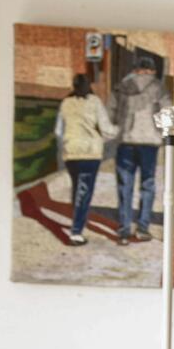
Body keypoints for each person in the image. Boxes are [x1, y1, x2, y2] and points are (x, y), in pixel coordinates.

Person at [54, 72, 116, 247]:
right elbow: (106, 128)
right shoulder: (95, 102)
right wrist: (115, 133)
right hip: (90, 152)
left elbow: (58, 130)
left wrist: (67, 142)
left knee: (77, 189)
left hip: (71, 152)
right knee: (85, 192)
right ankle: (76, 232)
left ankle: (77, 221)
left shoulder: (65, 103)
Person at [111, 60, 169, 245]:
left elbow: (110, 112)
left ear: (135, 69)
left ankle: (124, 229)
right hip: (149, 143)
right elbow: (166, 114)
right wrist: (165, 136)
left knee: (124, 186)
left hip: (126, 142)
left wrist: (115, 132)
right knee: (148, 184)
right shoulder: (159, 87)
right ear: (152, 70)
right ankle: (143, 228)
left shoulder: (122, 86)